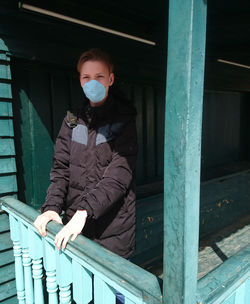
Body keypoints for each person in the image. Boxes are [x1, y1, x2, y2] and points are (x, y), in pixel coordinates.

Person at [34, 48, 137, 261]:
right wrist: (52, 206)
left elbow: (119, 175)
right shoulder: (72, 121)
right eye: (87, 77)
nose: (93, 82)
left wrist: (85, 211)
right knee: (81, 292)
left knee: (114, 293)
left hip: (113, 232)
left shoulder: (124, 121)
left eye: (99, 76)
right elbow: (61, 169)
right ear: (80, 81)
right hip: (75, 228)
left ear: (110, 79)